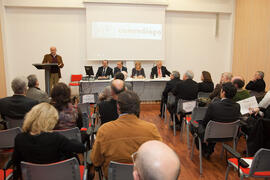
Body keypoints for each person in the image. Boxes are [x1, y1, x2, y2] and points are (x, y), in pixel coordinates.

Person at [90, 90, 162, 178]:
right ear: (138, 107)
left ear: (118, 107)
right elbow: (159, 158)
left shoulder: (104, 130)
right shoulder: (151, 129)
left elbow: (96, 160)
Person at [12, 103, 85, 179]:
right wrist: (72, 139)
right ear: (50, 120)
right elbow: (81, 148)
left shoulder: (19, 138)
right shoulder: (55, 138)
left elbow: (16, 163)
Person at [195, 82, 241, 158]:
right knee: (216, 124)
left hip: (212, 133)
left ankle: (205, 149)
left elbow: (205, 122)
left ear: (223, 92)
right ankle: (209, 149)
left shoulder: (214, 105)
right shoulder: (237, 106)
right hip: (229, 135)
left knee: (195, 125)